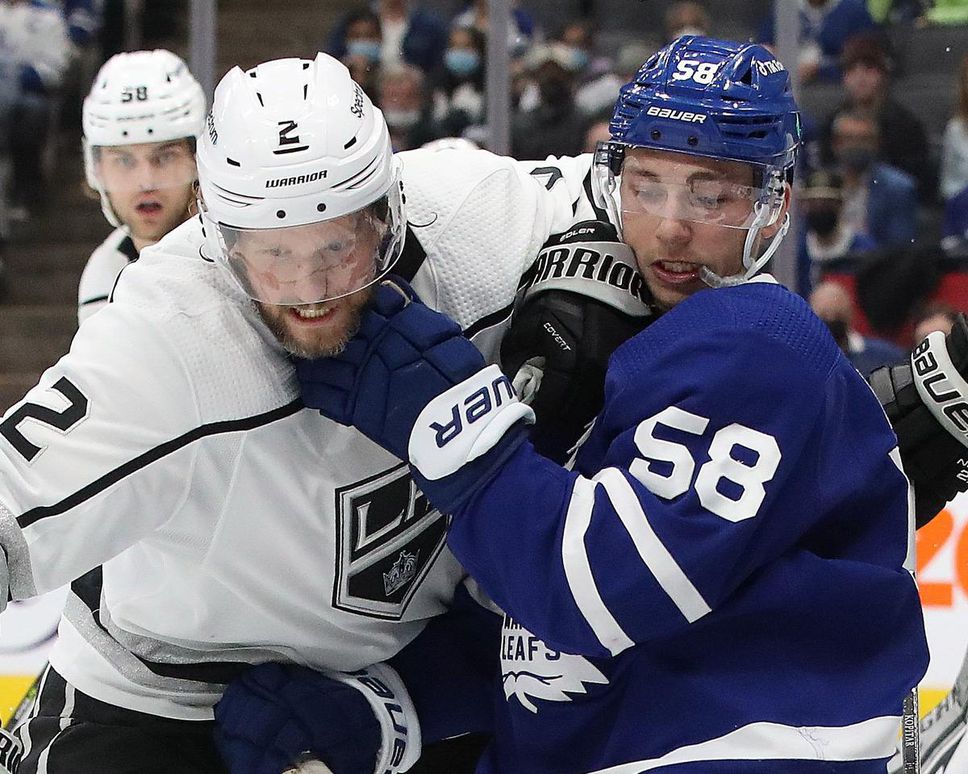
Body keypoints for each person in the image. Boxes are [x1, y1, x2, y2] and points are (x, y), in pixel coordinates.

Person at [0, 49, 655, 774]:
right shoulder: (169, 331)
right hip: (165, 696)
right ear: (216, 234)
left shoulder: (476, 217)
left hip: (395, 684)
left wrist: (604, 269)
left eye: (338, 246)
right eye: (272, 253)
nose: (309, 288)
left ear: (389, 207)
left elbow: (646, 200)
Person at [297, 36, 930, 772]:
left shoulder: (759, 339)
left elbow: (604, 589)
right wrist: (384, 708)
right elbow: (541, 639)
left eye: (711, 193)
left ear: (772, 202)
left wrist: (448, 421)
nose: (670, 225)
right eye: (648, 184)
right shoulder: (632, 338)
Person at [78, 49, 205, 325]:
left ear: (198, 159)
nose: (146, 182)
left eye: (165, 157)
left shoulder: (247, 254)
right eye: (123, 161)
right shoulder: (104, 274)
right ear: (96, 169)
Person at [809, 279, 905, 375]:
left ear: (850, 314)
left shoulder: (885, 357)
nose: (831, 319)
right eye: (824, 315)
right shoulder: (804, 360)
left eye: (837, 315)